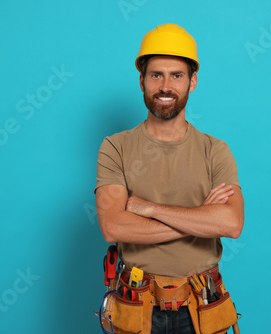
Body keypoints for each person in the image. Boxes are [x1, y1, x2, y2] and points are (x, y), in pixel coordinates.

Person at [95, 23, 244, 334]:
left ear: (193, 82)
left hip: (202, 305)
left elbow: (230, 224)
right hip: (137, 305)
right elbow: (113, 227)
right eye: (156, 75)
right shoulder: (115, 147)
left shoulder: (215, 151)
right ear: (141, 81)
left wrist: (151, 209)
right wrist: (200, 218)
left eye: (176, 75)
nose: (165, 86)